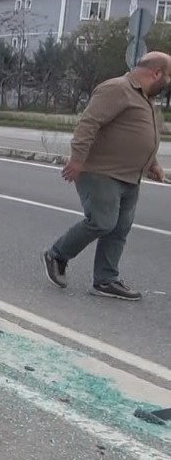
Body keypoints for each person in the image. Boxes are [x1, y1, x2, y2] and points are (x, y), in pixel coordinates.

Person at [43, 51, 169, 300]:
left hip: (130, 176)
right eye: (169, 77)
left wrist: (152, 162)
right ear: (156, 73)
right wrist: (77, 159)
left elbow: (137, 133)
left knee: (119, 229)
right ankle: (56, 254)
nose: (169, 83)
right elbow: (88, 123)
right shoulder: (117, 89)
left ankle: (105, 280)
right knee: (102, 222)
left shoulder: (144, 97)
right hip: (101, 172)